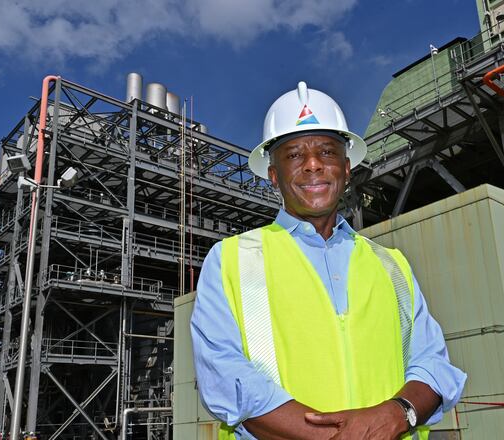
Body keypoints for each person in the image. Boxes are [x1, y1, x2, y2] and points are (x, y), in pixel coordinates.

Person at [191, 82, 466, 439]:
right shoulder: (231, 260)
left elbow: (433, 364)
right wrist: (338, 436)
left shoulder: (392, 265)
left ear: (346, 167)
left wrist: (399, 414)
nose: (313, 165)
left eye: (327, 152)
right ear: (273, 175)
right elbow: (225, 377)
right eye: (293, 155)